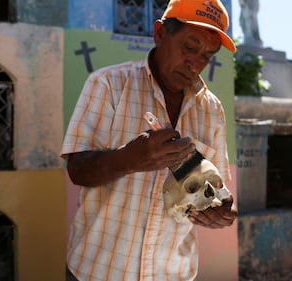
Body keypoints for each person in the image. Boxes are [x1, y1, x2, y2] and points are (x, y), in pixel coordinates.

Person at [61, 0, 238, 280]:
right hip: (97, 272)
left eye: (206, 56)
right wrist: (129, 159)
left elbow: (215, 191)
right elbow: (77, 170)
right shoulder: (108, 85)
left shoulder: (212, 110)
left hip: (173, 273)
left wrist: (220, 211)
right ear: (159, 34)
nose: (195, 64)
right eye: (189, 48)